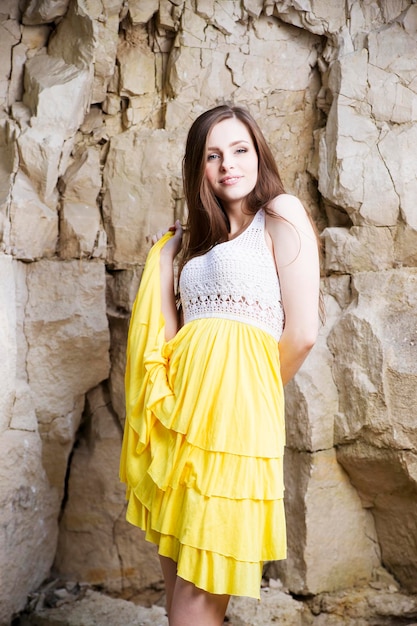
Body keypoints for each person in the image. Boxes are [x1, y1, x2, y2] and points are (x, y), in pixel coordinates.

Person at [120, 104, 321, 626]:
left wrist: (245, 401)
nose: (228, 164)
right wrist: (165, 258)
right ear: (198, 167)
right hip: (182, 422)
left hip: (233, 425)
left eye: (239, 150)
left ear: (258, 154)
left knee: (195, 598)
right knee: (176, 590)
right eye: (212, 155)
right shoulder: (195, 244)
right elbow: (171, 337)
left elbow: (301, 334)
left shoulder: (280, 215)